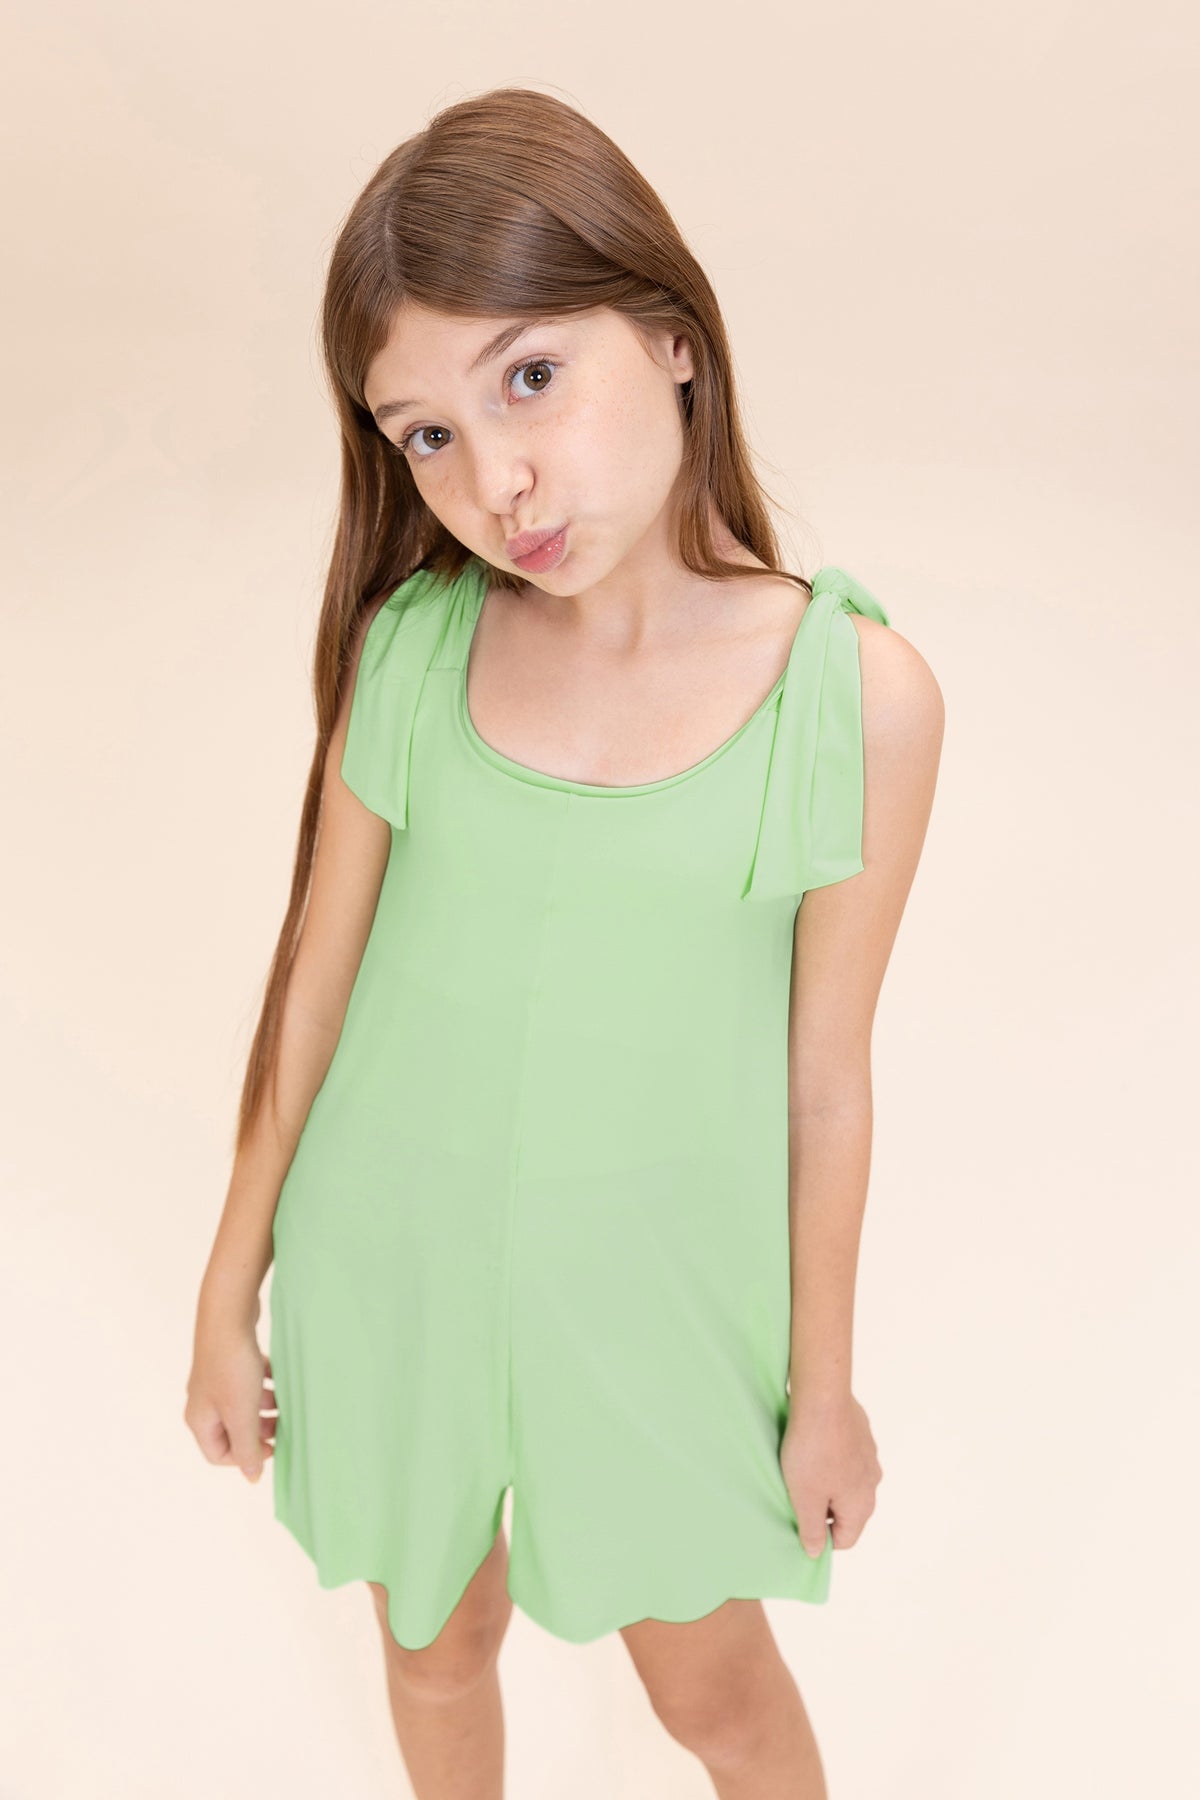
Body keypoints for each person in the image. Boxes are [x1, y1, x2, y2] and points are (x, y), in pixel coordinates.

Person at [184, 85, 944, 1800]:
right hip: (394, 1260)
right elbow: (316, 992)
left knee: (717, 1698)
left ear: (671, 338)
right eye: (424, 435)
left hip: (656, 1297)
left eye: (528, 377)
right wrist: (229, 1289)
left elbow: (826, 1082)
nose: (492, 481)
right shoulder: (415, 649)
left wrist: (823, 1388)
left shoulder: (856, 697)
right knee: (432, 1649)